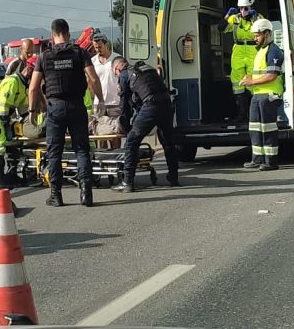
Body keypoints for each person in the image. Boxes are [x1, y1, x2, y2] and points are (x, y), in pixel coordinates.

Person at [28, 18, 104, 208]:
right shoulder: (80, 52)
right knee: (82, 150)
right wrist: (100, 100)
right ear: (68, 34)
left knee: (54, 152)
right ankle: (86, 194)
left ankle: (56, 195)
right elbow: (93, 78)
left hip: (55, 109)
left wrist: (32, 110)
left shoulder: (44, 57)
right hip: (77, 106)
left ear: (52, 36)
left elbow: (33, 88)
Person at [110, 58, 180, 192]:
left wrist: (126, 124)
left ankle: (127, 182)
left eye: (115, 73)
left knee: (131, 142)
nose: (116, 75)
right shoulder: (147, 69)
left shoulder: (125, 74)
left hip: (150, 107)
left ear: (118, 68)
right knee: (168, 141)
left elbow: (125, 103)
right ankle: (173, 177)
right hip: (166, 104)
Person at [239, 18, 285, 172]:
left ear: (267, 34)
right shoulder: (261, 51)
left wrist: (251, 82)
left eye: (257, 35)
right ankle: (257, 159)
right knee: (255, 129)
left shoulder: (274, 51)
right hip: (258, 95)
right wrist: (250, 80)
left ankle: (271, 162)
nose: (255, 38)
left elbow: (272, 76)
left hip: (269, 96)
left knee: (268, 129)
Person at [0, 55, 34, 187]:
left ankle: (11, 175)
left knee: (13, 144)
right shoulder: (12, 82)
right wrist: (5, 122)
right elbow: (3, 105)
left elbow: (23, 109)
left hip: (6, 116)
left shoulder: (23, 86)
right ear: (29, 70)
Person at [224, 0, 259, 125]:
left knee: (252, 81)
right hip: (238, 50)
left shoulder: (258, 18)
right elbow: (222, 28)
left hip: (252, 50)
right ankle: (241, 114)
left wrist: (254, 19)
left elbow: (264, 31)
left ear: (251, 6)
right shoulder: (236, 19)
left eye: (246, 8)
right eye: (241, 8)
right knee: (237, 83)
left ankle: (253, 114)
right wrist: (227, 16)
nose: (243, 11)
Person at [90, 30, 121, 120]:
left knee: (117, 129)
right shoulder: (92, 61)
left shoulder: (117, 59)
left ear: (106, 44)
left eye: (100, 47)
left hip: (115, 103)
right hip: (98, 104)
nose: (97, 50)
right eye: (95, 48)